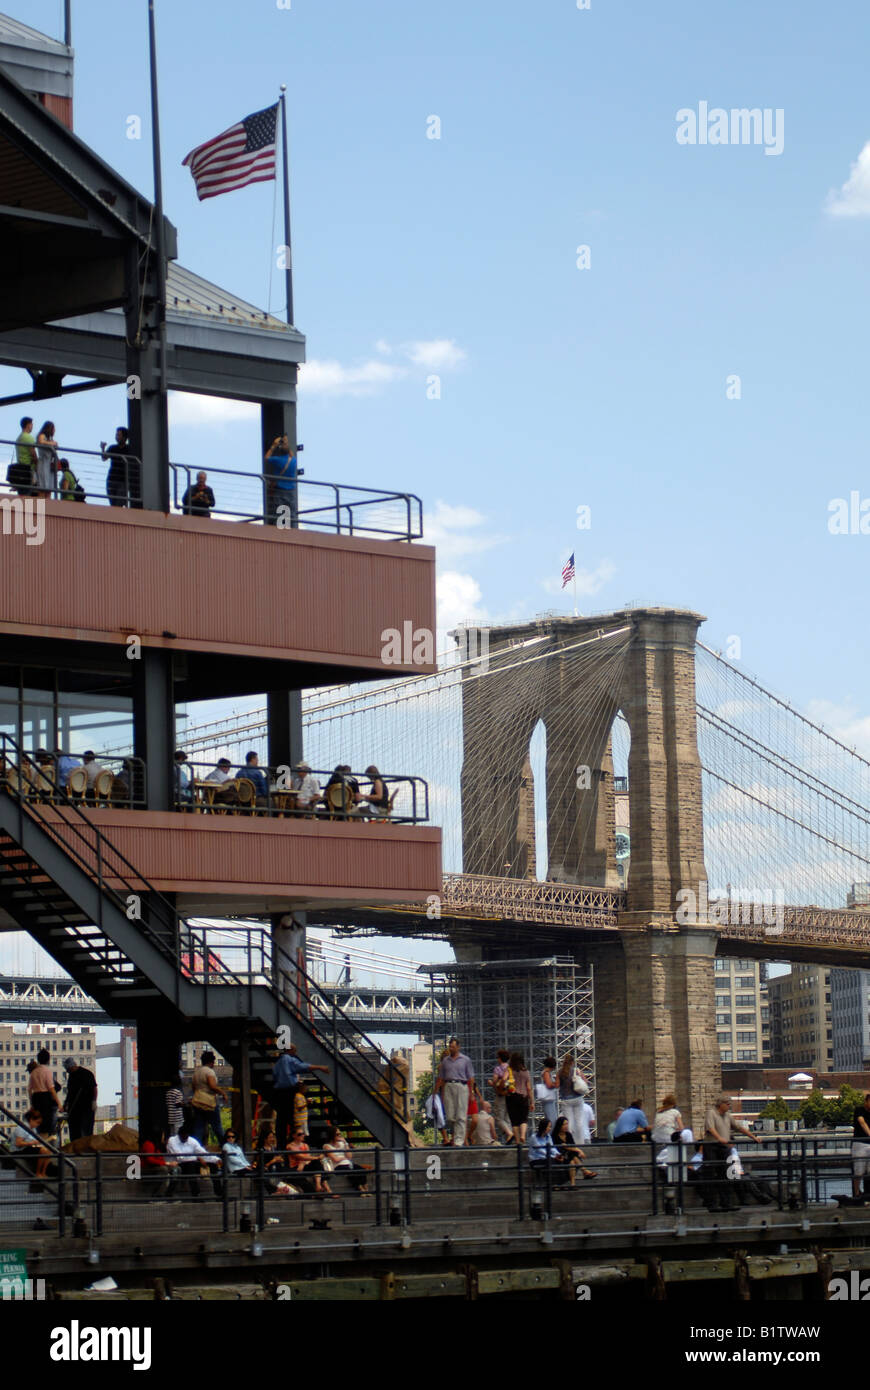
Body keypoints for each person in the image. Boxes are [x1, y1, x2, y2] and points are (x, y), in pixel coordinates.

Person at [703, 1094, 760, 1213]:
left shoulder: (728, 1116)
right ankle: (712, 1204)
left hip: (724, 1147)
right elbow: (710, 1128)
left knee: (727, 1174)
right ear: (721, 1104)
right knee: (711, 1174)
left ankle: (726, 1203)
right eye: (727, 1104)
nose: (729, 1106)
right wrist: (719, 1138)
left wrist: (753, 1137)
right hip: (712, 1146)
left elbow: (738, 1127)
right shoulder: (711, 1113)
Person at [271, 1045, 329, 1150]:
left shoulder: (278, 1063)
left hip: (279, 1091)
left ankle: (282, 1144)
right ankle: (294, 1142)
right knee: (292, 1118)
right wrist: (320, 1067)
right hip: (288, 1090)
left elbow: (274, 1074)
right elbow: (302, 1067)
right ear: (290, 1050)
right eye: (294, 1050)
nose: (295, 1053)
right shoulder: (288, 1060)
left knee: (281, 1119)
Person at [435, 1037, 475, 1147]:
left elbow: (471, 1077)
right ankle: (456, 1136)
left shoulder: (465, 1060)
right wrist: (439, 1093)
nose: (451, 1048)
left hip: (461, 1086)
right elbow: (441, 1078)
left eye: (453, 1046)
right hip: (448, 1086)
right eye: (450, 1047)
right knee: (450, 1116)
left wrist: (471, 1093)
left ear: (458, 1047)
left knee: (461, 1115)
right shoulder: (445, 1061)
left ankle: (458, 1141)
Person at [167, 1124, 219, 1198]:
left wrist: (216, 1160)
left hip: (192, 1164)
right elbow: (180, 1157)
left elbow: (202, 1152)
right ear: (179, 1135)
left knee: (213, 1166)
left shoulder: (192, 1141)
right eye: (183, 1136)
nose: (185, 1138)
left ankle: (219, 1193)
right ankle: (196, 1194)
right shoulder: (172, 1140)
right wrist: (197, 1157)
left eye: (186, 1136)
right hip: (178, 1165)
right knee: (190, 1165)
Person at [189, 1050, 227, 1146]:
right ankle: (225, 1147)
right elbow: (212, 1086)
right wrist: (223, 1093)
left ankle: (195, 1149)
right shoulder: (209, 1072)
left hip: (197, 1102)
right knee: (217, 1127)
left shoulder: (196, 1073)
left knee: (198, 1127)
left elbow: (193, 1088)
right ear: (212, 1061)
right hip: (209, 1102)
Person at [322, 1124, 369, 1192]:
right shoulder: (327, 1146)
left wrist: (345, 1143)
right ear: (332, 1135)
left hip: (348, 1163)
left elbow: (349, 1156)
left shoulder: (342, 1144)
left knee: (361, 1169)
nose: (339, 1136)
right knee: (351, 1172)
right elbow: (335, 1159)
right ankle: (360, 1188)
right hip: (338, 1166)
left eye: (340, 1134)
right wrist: (344, 1157)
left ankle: (365, 1187)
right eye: (337, 1134)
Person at [287, 1129, 335, 1196]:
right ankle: (328, 1191)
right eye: (299, 1134)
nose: (302, 1135)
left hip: (304, 1165)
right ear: (294, 1136)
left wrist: (303, 1163)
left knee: (316, 1163)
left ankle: (318, 1186)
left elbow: (308, 1157)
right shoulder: (290, 1146)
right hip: (296, 1167)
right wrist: (317, 1157)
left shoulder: (305, 1145)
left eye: (303, 1134)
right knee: (317, 1164)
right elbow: (300, 1156)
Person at [555, 1052, 589, 1147]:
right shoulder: (577, 1071)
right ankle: (580, 1142)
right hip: (577, 1098)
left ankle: (570, 1141)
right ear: (572, 1062)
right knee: (579, 1121)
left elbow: (557, 1085)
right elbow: (585, 1081)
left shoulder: (560, 1072)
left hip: (566, 1099)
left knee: (569, 1121)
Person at [551, 1115, 597, 1183]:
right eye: (564, 1124)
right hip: (560, 1156)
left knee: (572, 1160)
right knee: (573, 1157)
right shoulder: (554, 1136)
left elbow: (572, 1145)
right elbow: (562, 1147)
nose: (566, 1126)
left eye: (567, 1124)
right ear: (559, 1125)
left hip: (570, 1155)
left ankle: (573, 1183)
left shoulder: (568, 1134)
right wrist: (579, 1150)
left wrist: (574, 1149)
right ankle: (584, 1171)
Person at [265, 434, 299, 523]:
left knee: (279, 511)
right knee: (291, 512)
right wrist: (286, 444)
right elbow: (291, 455)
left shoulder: (277, 460)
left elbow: (267, 457)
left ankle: (280, 529)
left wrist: (274, 445)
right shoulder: (293, 461)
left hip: (280, 489)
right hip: (291, 490)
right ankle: (292, 529)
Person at [102, 427, 139, 507]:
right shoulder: (113, 448)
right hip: (112, 479)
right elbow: (104, 458)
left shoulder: (129, 449)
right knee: (113, 503)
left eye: (119, 435)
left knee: (119, 503)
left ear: (125, 437)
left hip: (123, 480)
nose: (117, 437)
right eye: (116, 435)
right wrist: (103, 448)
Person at [27, 1048, 61, 1137]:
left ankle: (42, 1142)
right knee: (48, 1125)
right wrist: (59, 1104)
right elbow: (51, 1088)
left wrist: (32, 1104)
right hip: (46, 1099)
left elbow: (29, 1089)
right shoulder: (47, 1071)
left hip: (36, 1098)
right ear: (48, 1059)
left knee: (40, 1125)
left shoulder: (34, 1072)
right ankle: (48, 1144)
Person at [10, 1107, 52, 1179]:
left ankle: (43, 1172)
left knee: (48, 1151)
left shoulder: (33, 1129)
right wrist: (32, 1143)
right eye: (37, 1122)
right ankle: (38, 1172)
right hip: (19, 1150)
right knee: (43, 1151)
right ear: (31, 1119)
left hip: (28, 1147)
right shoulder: (22, 1128)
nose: (37, 1125)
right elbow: (18, 1143)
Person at [63, 1056, 97, 1141]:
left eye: (68, 1070)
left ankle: (86, 1151)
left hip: (86, 1108)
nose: (68, 1072)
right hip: (74, 1109)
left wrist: (94, 1101)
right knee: (75, 1133)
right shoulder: (71, 1077)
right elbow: (70, 1092)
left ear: (72, 1066)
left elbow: (94, 1088)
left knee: (86, 1131)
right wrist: (66, 1104)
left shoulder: (87, 1074)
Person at [505, 1051, 533, 1144]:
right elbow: (529, 1088)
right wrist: (532, 1101)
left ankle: (517, 1141)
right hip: (523, 1097)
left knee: (514, 1120)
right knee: (523, 1119)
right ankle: (523, 1136)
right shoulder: (526, 1072)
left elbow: (504, 1080)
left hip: (511, 1097)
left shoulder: (509, 1070)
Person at [491, 1049, 515, 1143]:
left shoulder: (498, 1069)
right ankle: (510, 1140)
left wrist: (492, 1083)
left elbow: (495, 1081)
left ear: (500, 1058)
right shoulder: (511, 1068)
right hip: (510, 1094)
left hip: (501, 1094)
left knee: (499, 1118)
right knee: (507, 1118)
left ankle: (510, 1134)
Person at [10, 416, 36, 495]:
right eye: (31, 424)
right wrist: (37, 465)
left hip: (20, 470)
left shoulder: (19, 438)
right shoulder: (28, 438)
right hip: (28, 470)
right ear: (28, 425)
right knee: (29, 495)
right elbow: (33, 455)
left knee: (22, 494)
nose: (32, 426)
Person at [852, 1091, 870, 1199]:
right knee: (858, 1171)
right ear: (866, 1101)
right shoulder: (859, 1110)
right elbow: (861, 1122)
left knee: (869, 1171)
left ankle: (867, 1194)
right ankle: (857, 1193)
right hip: (860, 1144)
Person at [34, 421, 58, 498]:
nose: (54, 430)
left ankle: (48, 505)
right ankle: (41, 507)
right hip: (43, 464)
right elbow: (41, 441)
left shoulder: (50, 438)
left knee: (49, 488)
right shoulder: (42, 435)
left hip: (49, 466)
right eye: (53, 428)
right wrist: (52, 443)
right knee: (42, 487)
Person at [537, 1056, 559, 1128]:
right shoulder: (546, 1073)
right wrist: (555, 1084)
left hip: (549, 1099)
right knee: (551, 1120)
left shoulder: (547, 1072)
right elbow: (549, 1085)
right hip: (548, 1099)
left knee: (553, 1119)